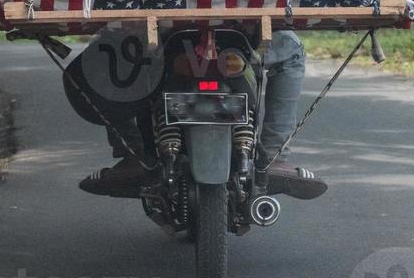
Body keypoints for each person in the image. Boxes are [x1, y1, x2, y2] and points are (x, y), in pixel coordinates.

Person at [67, 29, 327, 200]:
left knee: (110, 48)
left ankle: (133, 154)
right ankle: (274, 156)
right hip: (236, 30)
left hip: (162, 34)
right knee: (291, 50)